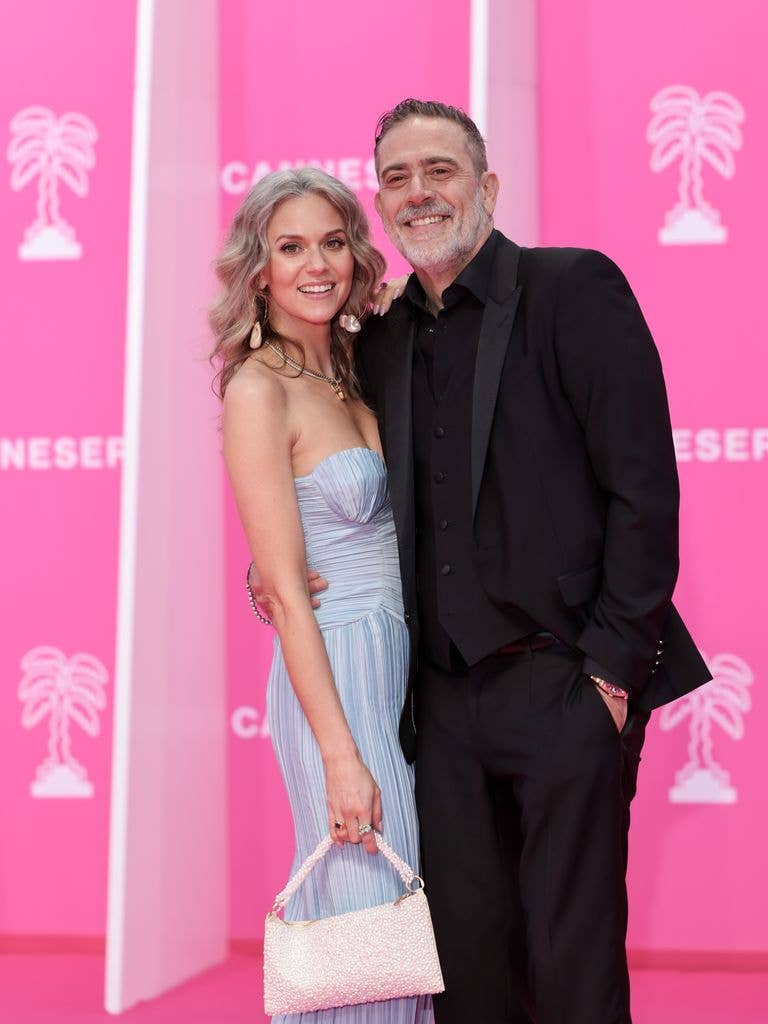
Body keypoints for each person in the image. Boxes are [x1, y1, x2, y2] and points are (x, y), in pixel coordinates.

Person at [346, 100, 711, 1024]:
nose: (418, 192)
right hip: (440, 705)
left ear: (487, 187)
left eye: (439, 170)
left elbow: (644, 489)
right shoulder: (383, 337)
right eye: (397, 177)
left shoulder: (572, 288)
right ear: (381, 203)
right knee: (467, 967)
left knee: (572, 959)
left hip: (564, 683)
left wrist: (612, 677)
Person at [210, 167, 433, 1024]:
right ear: (257, 268)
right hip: (334, 676)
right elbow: (292, 599)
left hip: (404, 671)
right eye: (291, 246)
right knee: (368, 941)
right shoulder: (256, 389)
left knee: (403, 931)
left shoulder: (355, 364)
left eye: (333, 241)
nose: (317, 264)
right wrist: (341, 756)